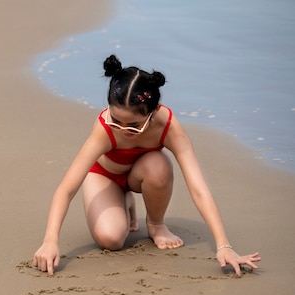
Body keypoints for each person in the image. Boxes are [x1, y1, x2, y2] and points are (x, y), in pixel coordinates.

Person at [33, 55, 261, 276]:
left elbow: (198, 189)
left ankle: (156, 224)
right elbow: (66, 188)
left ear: (152, 113)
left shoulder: (168, 126)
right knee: (110, 239)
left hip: (142, 173)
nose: (122, 129)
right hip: (105, 176)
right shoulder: (105, 128)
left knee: (158, 164)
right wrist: (50, 242)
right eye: (115, 120)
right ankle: (123, 199)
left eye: (133, 125)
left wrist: (224, 246)